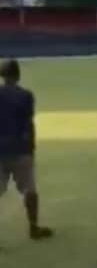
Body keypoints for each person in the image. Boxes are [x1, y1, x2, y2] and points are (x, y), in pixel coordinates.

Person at [0, 60, 54, 243]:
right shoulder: (26, 96)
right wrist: (30, 148)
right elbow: (27, 123)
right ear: (18, 75)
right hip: (21, 149)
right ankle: (33, 227)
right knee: (29, 190)